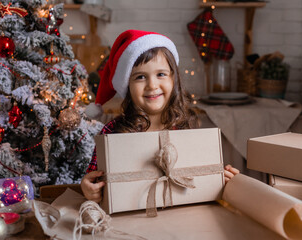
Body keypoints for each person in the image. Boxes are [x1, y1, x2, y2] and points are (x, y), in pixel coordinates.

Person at [81, 30, 239, 202]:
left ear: (173, 79)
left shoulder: (186, 128)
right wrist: (88, 188)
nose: (152, 85)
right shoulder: (113, 132)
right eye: (140, 77)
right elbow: (94, 179)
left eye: (161, 74)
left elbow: (199, 176)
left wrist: (221, 178)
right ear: (128, 86)